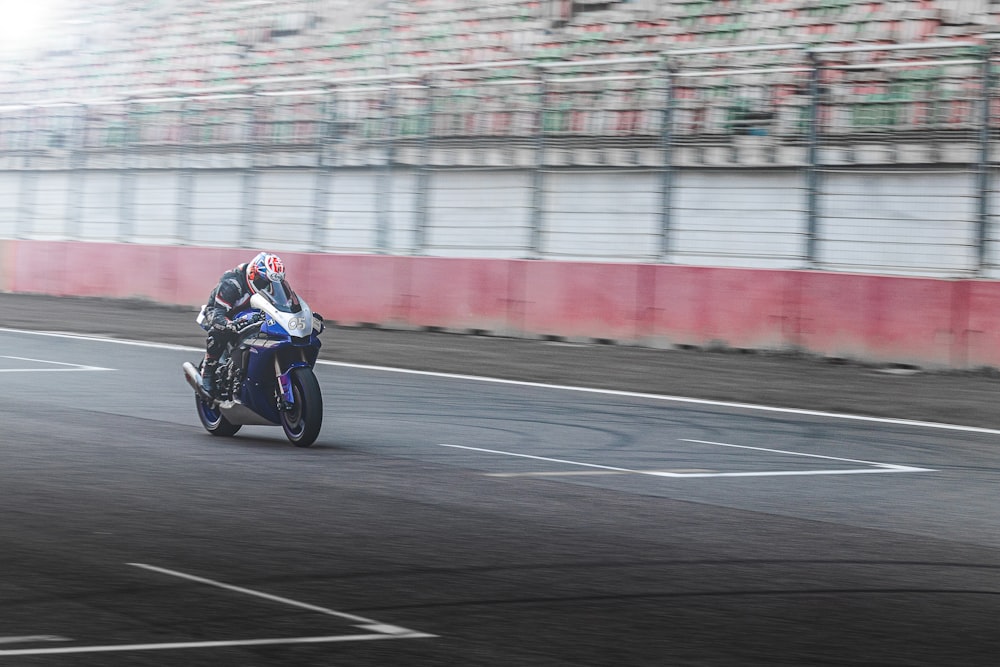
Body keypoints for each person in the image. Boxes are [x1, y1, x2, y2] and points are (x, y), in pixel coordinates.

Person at [199, 251, 286, 396]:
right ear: (253, 274)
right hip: (221, 312)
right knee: (220, 331)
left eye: (271, 283)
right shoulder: (232, 284)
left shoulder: (272, 286)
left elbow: (285, 303)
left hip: (251, 313)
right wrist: (230, 324)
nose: (266, 285)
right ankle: (208, 370)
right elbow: (218, 315)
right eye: (263, 281)